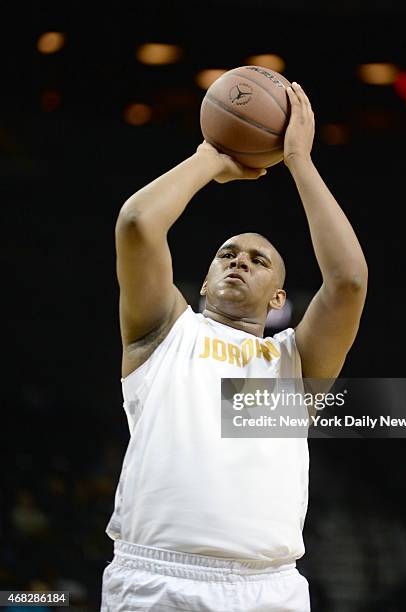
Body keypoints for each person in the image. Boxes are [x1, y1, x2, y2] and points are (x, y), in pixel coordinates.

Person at [101, 82, 368, 611]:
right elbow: (137, 223)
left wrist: (298, 161)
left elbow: (349, 282)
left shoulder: (295, 363)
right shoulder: (164, 331)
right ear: (200, 283)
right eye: (226, 253)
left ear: (278, 298)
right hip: (158, 580)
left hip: (269, 586)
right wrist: (209, 158)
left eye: (257, 259)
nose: (238, 260)